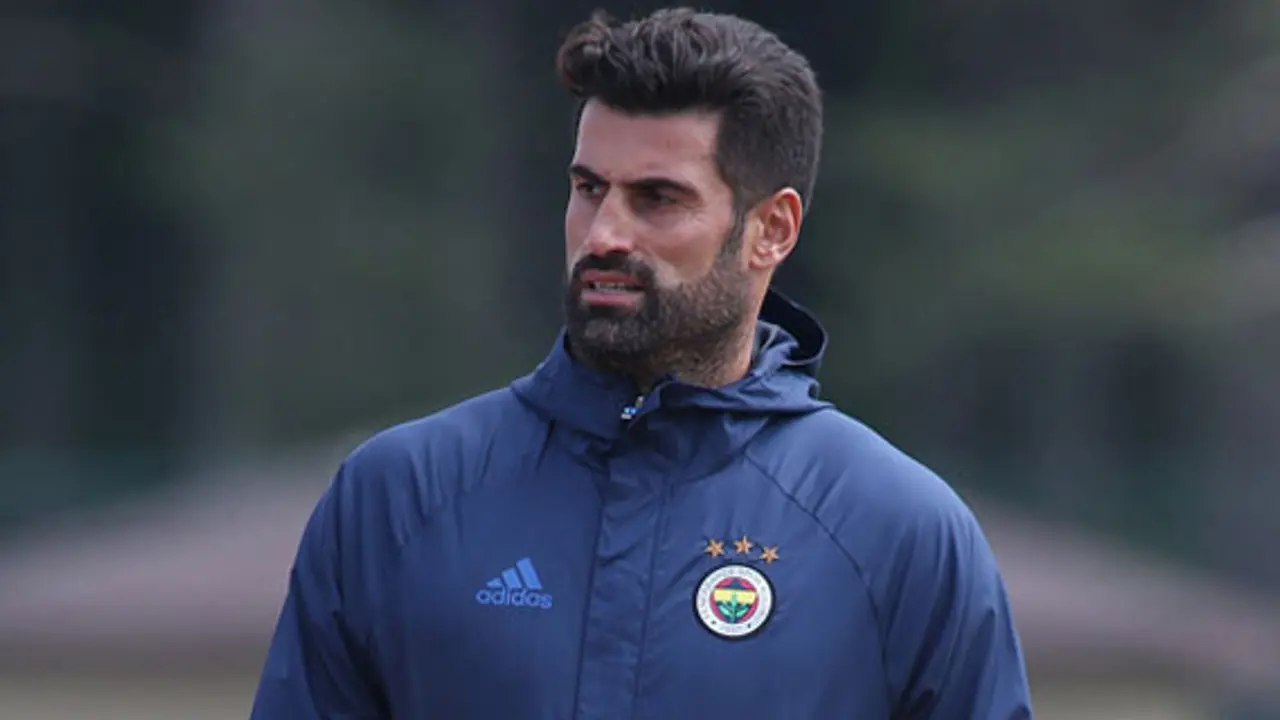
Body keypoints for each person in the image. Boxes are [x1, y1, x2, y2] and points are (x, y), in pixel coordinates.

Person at [249, 7, 1033, 719]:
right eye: (589, 188)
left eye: (657, 198)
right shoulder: (399, 499)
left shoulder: (897, 532)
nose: (603, 235)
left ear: (772, 229)